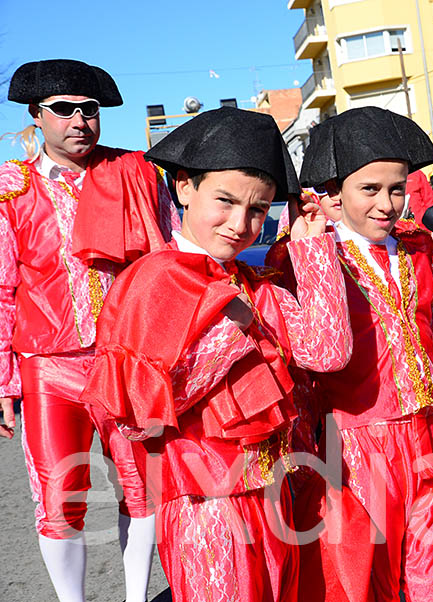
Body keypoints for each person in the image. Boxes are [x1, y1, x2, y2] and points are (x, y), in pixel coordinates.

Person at [80, 107, 353, 602]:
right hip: (202, 505)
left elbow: (327, 351)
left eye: (258, 209)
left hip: (272, 497)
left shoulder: (251, 282)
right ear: (184, 187)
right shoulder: (151, 279)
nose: (240, 223)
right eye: (224, 201)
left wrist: (313, 251)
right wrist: (229, 333)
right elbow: (136, 416)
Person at [0, 59, 180, 602]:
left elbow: (172, 253)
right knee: (58, 496)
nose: (79, 121)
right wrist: (3, 378)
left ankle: (133, 598)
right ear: (38, 116)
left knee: (143, 490)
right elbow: (3, 287)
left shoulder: (138, 172)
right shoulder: (11, 188)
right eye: (64, 110)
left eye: (90, 110)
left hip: (129, 359)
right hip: (48, 365)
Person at [295, 106, 433, 601]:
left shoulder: (418, 249)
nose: (386, 203)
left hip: (429, 433)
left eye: (397, 188)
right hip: (359, 444)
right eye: (369, 189)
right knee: (369, 577)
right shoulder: (317, 255)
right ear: (334, 194)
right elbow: (316, 356)